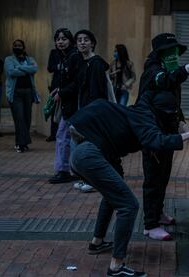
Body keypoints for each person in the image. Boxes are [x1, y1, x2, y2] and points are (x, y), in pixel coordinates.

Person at [69, 90, 189, 277]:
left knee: (113, 195)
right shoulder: (144, 120)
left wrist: (182, 126)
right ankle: (116, 267)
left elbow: (153, 93)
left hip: (88, 150)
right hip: (90, 154)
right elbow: (156, 140)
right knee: (128, 205)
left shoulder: (143, 107)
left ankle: (97, 242)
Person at [137, 32, 189, 240]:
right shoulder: (153, 72)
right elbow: (165, 81)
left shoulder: (170, 72)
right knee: (153, 180)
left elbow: (173, 102)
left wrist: (181, 123)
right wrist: (187, 68)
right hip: (153, 135)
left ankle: (157, 213)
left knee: (163, 177)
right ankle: (149, 225)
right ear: (159, 54)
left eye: (176, 52)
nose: (174, 56)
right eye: (169, 52)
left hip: (167, 134)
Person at [71, 29, 113, 192]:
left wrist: (91, 114)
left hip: (92, 111)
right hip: (85, 109)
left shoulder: (95, 63)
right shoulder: (83, 62)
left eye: (86, 40)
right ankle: (85, 178)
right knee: (83, 144)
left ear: (92, 43)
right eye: (79, 40)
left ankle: (93, 180)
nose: (82, 42)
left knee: (91, 146)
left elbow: (97, 92)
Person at [47, 28, 82, 184]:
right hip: (68, 104)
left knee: (64, 137)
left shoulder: (74, 57)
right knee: (63, 136)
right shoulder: (64, 57)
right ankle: (65, 169)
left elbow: (77, 83)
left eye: (64, 39)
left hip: (73, 105)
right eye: (58, 39)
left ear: (70, 41)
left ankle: (65, 170)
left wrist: (61, 93)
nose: (60, 42)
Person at [4, 39, 39, 153]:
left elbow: (34, 68)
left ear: (23, 47)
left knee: (27, 118)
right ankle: (20, 144)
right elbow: (11, 72)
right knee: (19, 118)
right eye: (15, 45)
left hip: (28, 92)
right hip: (15, 93)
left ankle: (22, 142)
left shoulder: (30, 59)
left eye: (19, 45)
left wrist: (19, 67)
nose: (17, 47)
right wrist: (26, 70)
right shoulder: (9, 59)